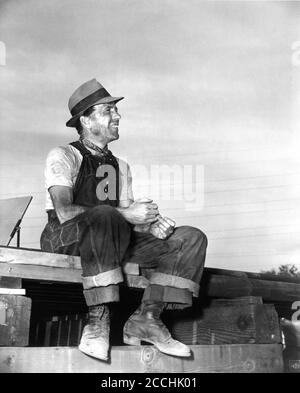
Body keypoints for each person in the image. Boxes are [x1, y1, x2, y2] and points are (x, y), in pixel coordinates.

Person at [40, 78, 208, 361]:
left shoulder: (121, 166)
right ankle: (98, 322)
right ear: (85, 119)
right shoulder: (64, 155)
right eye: (108, 110)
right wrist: (126, 215)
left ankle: (148, 318)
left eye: (116, 110)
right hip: (65, 238)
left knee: (189, 238)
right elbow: (64, 212)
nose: (117, 116)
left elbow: (127, 221)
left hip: (110, 237)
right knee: (105, 214)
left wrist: (150, 225)